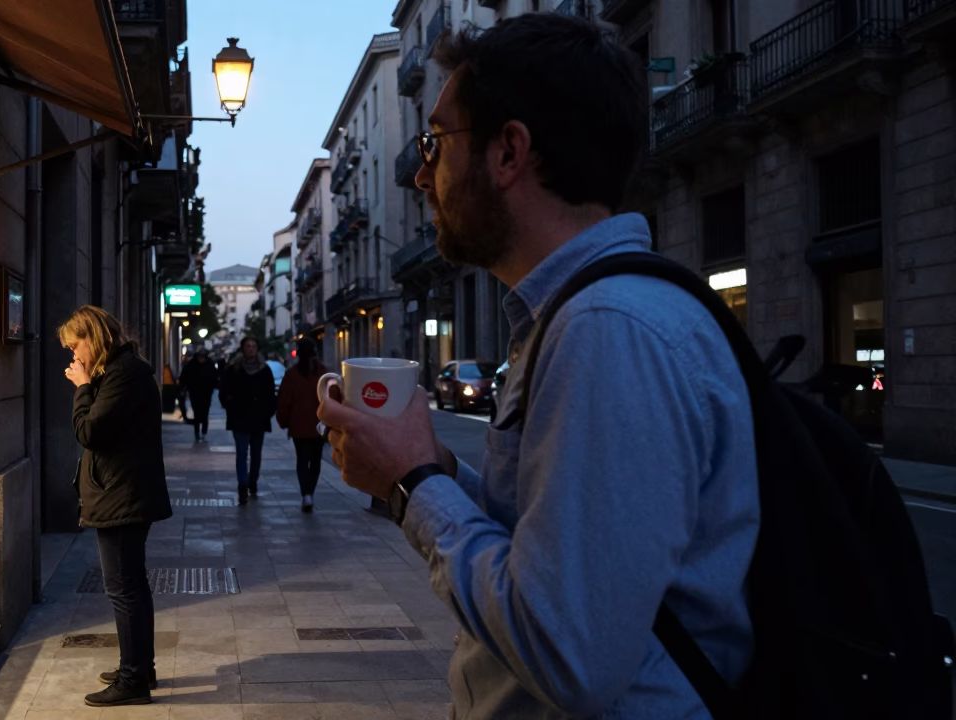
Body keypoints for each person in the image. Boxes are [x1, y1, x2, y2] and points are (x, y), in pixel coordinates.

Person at [317, 16, 759, 720]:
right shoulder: (577, 316)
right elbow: (546, 537)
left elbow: (569, 650)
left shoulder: (607, 330)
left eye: (437, 142)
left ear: (508, 152)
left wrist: (412, 483)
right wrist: (429, 460)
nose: (422, 175)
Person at [59, 306, 173, 708]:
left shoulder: (123, 374)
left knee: (123, 588)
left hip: (122, 496)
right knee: (132, 586)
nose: (74, 357)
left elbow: (89, 431)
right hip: (122, 492)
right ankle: (140, 666)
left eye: (76, 346)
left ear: (93, 337)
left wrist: (82, 386)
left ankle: (134, 679)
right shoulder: (124, 371)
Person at [218, 336, 276, 506]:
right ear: (242, 348)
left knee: (256, 454)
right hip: (240, 418)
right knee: (242, 454)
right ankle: (242, 486)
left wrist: (267, 412)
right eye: (248, 346)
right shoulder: (234, 369)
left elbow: (271, 395)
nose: (251, 349)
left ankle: (253, 481)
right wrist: (231, 406)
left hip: (259, 419)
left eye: (253, 346)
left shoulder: (265, 370)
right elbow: (224, 391)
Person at [275, 338, 328, 513]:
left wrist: (283, 421)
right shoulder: (323, 373)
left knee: (302, 460)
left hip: (298, 426)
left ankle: (306, 494)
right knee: (315, 461)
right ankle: (310, 493)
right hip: (319, 425)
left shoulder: (292, 374)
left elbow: (284, 401)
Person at [178, 347, 218, 442]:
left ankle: (203, 433)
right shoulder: (192, 365)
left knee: (204, 413)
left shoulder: (208, 365)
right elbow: (184, 377)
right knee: (197, 412)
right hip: (194, 392)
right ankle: (197, 433)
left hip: (206, 392)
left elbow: (214, 377)